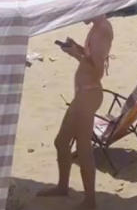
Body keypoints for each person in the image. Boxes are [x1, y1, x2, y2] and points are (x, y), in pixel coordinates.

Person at [38, 16, 113, 209]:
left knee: (83, 149)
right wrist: (77, 47)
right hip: (83, 95)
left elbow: (97, 70)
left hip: (89, 94)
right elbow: (91, 57)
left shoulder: (103, 29)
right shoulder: (97, 27)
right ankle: (63, 187)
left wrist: (75, 55)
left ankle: (90, 201)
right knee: (61, 142)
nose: (82, 15)